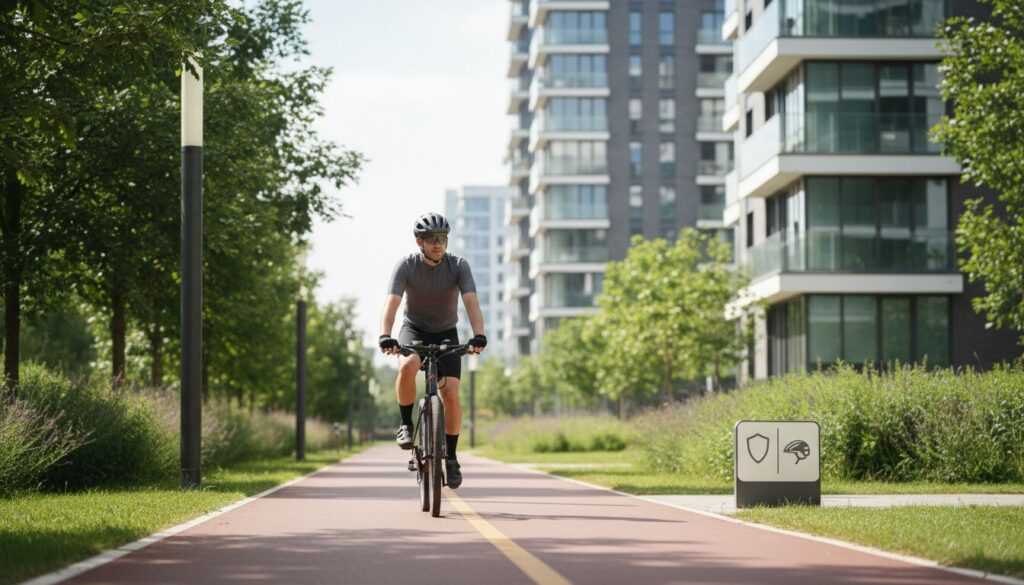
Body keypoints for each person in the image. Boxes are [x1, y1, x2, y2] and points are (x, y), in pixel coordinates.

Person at [378, 212, 486, 489]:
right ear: (420, 242)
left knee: (451, 393)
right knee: (407, 366)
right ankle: (405, 424)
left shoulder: (458, 265)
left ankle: (451, 457)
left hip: (447, 332)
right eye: (431, 239)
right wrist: (386, 335)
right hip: (413, 330)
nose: (438, 244)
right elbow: (392, 303)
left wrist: (479, 335)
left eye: (442, 238)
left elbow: (471, 302)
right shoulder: (406, 265)